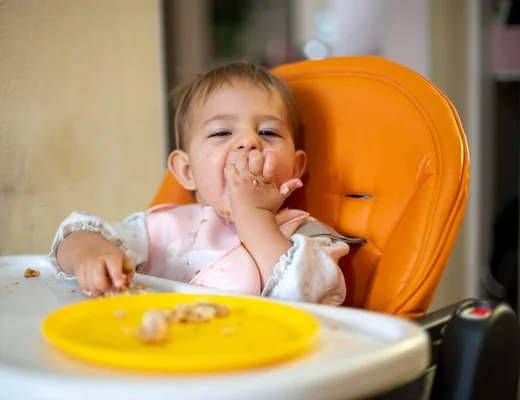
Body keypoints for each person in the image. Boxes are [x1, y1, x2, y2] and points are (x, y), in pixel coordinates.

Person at [48, 61, 359, 305]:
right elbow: (71, 239)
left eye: (268, 133)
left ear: (297, 167)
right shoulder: (162, 230)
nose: (249, 142)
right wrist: (90, 252)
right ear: (186, 171)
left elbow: (310, 299)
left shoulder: (308, 239)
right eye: (222, 133)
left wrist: (254, 215)